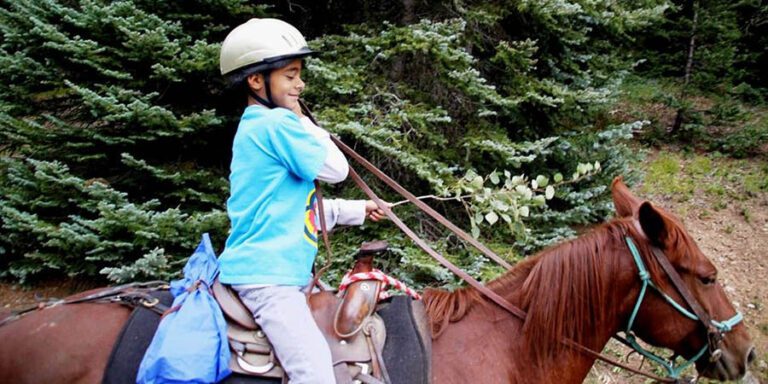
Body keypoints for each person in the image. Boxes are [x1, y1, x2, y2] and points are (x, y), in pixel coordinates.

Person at [217, 18, 386, 383]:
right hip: (268, 279)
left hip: (283, 274)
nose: (300, 84)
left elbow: (291, 211)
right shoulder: (275, 125)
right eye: (291, 75)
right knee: (314, 374)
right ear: (256, 80)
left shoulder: (258, 126)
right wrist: (303, 121)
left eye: (300, 75)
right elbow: (336, 169)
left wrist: (355, 210)